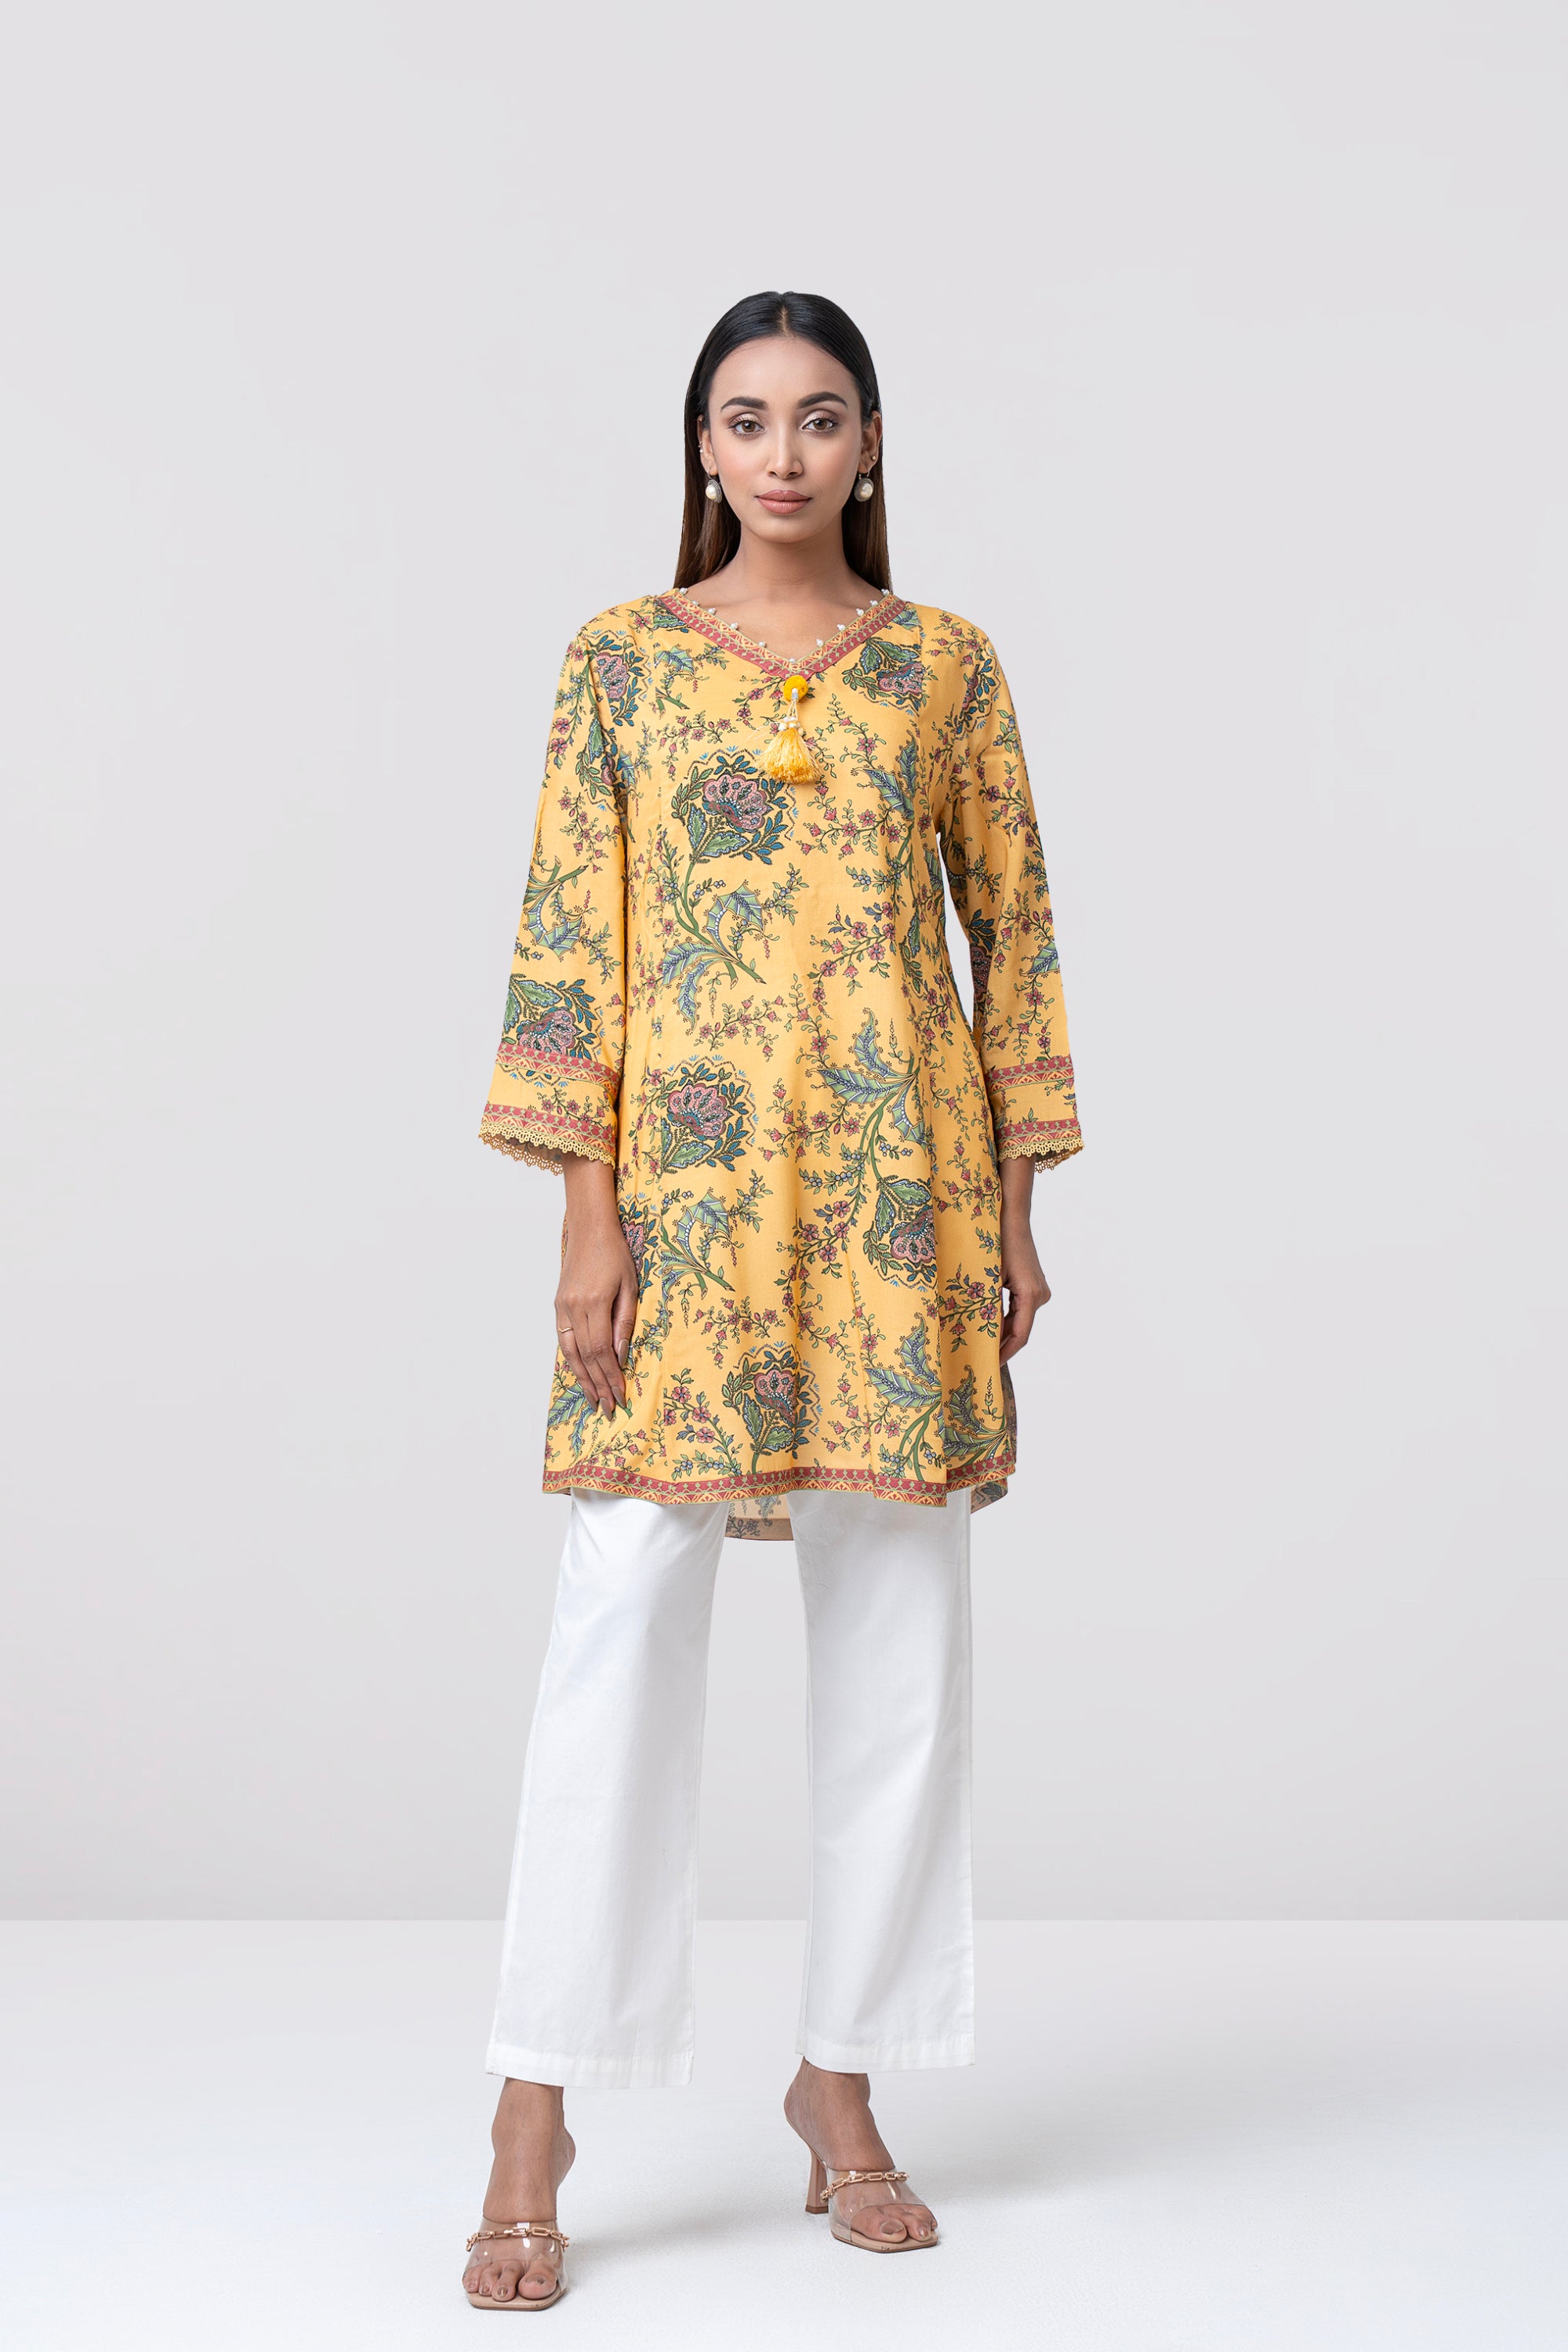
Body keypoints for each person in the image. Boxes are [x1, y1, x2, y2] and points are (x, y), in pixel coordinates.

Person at [462, 290, 1083, 2309]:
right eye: (746, 419)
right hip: (685, 1213)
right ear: (702, 448)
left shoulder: (944, 667)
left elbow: (1015, 937)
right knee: (618, 1628)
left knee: (898, 1645)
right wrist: (587, 1219)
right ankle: (535, 2108)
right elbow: (570, 939)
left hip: (902, 1213)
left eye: (821, 418)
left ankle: (843, 2080)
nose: (784, 453)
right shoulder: (620, 661)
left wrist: (1011, 1207)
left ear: (871, 444)